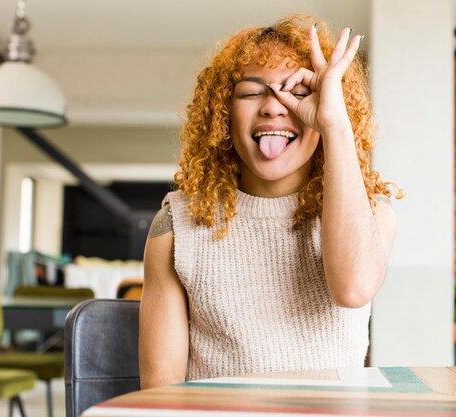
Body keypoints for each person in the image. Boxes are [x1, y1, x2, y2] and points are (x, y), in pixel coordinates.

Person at [139, 14, 400, 388]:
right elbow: (160, 391)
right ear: (223, 115)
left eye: (296, 92)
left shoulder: (371, 216)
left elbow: (353, 290)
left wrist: (334, 124)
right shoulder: (175, 227)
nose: (274, 106)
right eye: (250, 92)